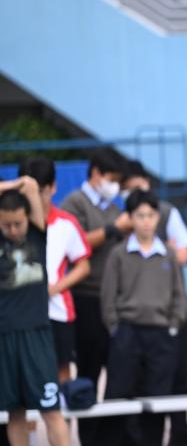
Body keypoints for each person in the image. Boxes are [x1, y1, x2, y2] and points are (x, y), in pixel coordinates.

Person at [0, 176, 85, 446]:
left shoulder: (38, 232)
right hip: (5, 335)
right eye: (6, 225)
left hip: (37, 333)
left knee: (50, 409)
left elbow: (31, 185)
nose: (13, 230)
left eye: (17, 224)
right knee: (15, 411)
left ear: (28, 219)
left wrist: (12, 186)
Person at [91, 190, 187, 446]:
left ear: (157, 218)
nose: (146, 221)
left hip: (161, 334)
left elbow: (179, 294)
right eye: (140, 216)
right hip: (127, 332)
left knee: (157, 397)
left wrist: (173, 324)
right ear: (130, 219)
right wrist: (115, 327)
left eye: (150, 215)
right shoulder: (119, 254)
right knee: (117, 395)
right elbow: (108, 296)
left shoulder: (168, 253)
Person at [120, 161, 187, 446]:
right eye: (128, 188)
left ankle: (179, 431)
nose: (136, 192)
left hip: (167, 309)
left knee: (178, 372)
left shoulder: (166, 212)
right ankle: (133, 440)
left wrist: (156, 250)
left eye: (138, 185)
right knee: (133, 379)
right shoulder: (118, 218)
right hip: (133, 314)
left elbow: (183, 253)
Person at [60, 150, 128, 446]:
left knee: (117, 373)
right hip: (85, 297)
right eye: (111, 179)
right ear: (96, 173)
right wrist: (114, 229)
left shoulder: (113, 206)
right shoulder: (75, 202)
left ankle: (110, 444)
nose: (114, 186)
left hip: (113, 298)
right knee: (87, 372)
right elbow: (75, 243)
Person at [19, 158, 91, 386]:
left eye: (39, 192)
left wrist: (55, 288)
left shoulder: (66, 224)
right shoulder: (13, 225)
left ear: (53, 187)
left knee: (61, 368)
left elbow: (83, 265)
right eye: (27, 192)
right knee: (24, 372)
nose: (34, 198)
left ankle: (62, 410)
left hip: (57, 310)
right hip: (22, 311)